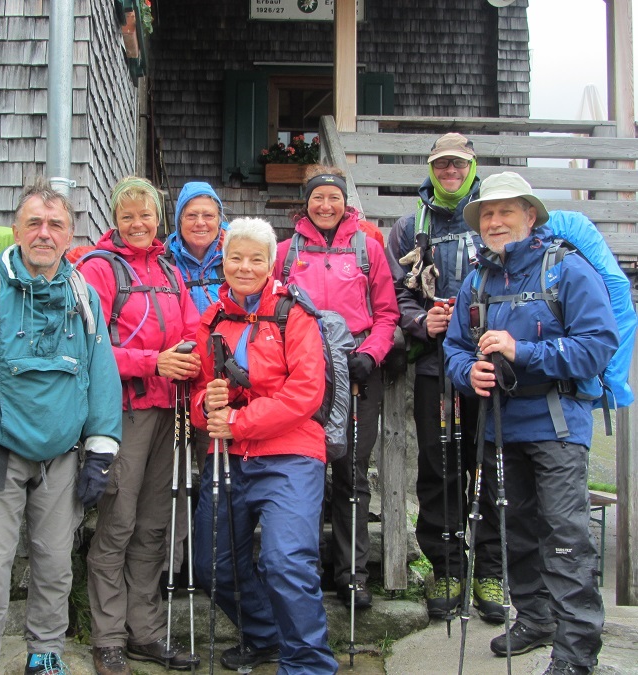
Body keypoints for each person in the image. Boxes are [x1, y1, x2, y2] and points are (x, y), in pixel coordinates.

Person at [0, 178, 122, 675]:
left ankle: (46, 654)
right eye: (34, 223)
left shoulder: (83, 294)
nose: (44, 233)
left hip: (61, 458)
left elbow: (101, 372)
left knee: (56, 564)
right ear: (16, 230)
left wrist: (101, 450)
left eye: (55, 224)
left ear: (70, 234)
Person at [444, 172, 616, 675]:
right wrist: (464, 372)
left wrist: (524, 351)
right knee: (514, 530)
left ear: (530, 216)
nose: (496, 222)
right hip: (499, 429)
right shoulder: (477, 281)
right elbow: (455, 345)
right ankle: (536, 619)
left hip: (557, 426)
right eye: (488, 215)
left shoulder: (567, 271)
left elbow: (598, 345)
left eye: (506, 212)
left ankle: (576, 653)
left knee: (565, 537)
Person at [191, 217, 338, 674]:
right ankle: (266, 636)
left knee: (285, 561)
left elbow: (306, 393)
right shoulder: (213, 319)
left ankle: (309, 665)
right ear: (223, 260)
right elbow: (200, 399)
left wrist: (238, 422)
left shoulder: (294, 315)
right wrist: (207, 404)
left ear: (272, 263)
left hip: (291, 454)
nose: (245, 266)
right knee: (212, 564)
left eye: (257, 258)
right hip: (229, 459)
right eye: (236, 257)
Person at [80, 176, 201, 675]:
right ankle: (107, 637)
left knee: (154, 525)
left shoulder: (171, 271)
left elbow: (194, 328)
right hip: (122, 412)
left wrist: (194, 360)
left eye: (146, 215)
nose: (137, 224)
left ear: (159, 220)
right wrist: (155, 362)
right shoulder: (99, 269)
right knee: (118, 523)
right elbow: (88, 345)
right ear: (115, 218)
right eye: (127, 215)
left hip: (170, 412)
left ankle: (144, 632)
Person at [386, 133, 504, 622]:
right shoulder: (409, 226)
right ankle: (447, 567)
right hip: (435, 364)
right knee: (439, 468)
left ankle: (492, 571)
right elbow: (395, 292)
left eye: (459, 163)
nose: (450, 171)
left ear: (473, 166)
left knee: (493, 465)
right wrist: (420, 321)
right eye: (442, 164)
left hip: (492, 365)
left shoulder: (494, 217)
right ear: (431, 169)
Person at [274, 166, 399, 608]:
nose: (326, 205)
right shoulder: (287, 252)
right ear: (305, 203)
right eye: (317, 198)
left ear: (346, 202)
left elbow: (387, 312)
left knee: (351, 475)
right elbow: (274, 310)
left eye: (334, 197)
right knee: (302, 473)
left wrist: (372, 354)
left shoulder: (368, 249)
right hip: (303, 375)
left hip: (358, 370)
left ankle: (353, 575)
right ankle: (300, 571)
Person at [165, 181, 229, 472]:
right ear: (179, 221)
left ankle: (211, 517)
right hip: (176, 375)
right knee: (171, 468)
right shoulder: (163, 260)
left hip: (221, 377)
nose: (200, 223)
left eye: (208, 215)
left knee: (213, 461)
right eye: (191, 216)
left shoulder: (234, 257)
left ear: (220, 219)